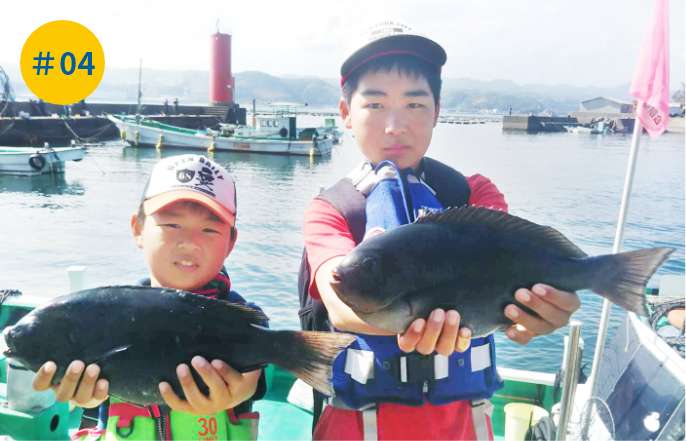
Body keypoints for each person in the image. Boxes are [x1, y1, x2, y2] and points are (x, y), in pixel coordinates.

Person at [298, 22, 581, 440]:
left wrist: (535, 313)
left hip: (464, 424)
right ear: (345, 114)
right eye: (375, 105)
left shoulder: (474, 193)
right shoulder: (331, 208)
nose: (395, 125)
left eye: (415, 105)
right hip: (359, 425)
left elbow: (509, 277)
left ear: (437, 110)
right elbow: (341, 306)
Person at [32, 154, 264, 440]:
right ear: (138, 229)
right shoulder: (109, 315)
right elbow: (95, 396)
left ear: (230, 243)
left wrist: (234, 393)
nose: (189, 242)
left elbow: (251, 378)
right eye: (172, 225)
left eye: (209, 229)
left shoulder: (240, 318)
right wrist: (85, 396)